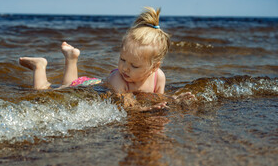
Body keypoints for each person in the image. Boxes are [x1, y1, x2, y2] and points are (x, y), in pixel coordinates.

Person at [19, 7, 194, 109]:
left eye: (134, 66)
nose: (125, 68)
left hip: (94, 83)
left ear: (154, 67)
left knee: (68, 83)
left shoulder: (159, 77)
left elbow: (159, 99)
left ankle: (72, 58)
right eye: (122, 60)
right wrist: (148, 109)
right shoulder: (119, 78)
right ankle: (40, 66)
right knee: (48, 92)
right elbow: (128, 106)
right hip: (89, 86)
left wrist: (175, 100)